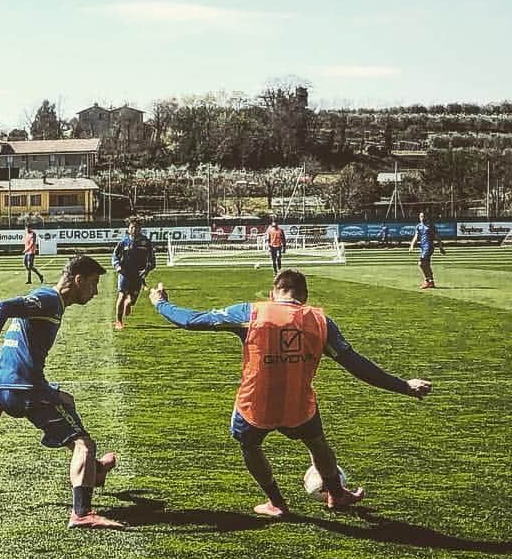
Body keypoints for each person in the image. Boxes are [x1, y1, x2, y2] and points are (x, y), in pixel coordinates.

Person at [149, 269, 432, 518]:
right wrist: (403, 386)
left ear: (274, 293)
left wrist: (161, 303)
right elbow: (356, 364)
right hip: (299, 406)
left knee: (251, 447)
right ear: (305, 296)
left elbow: (192, 320)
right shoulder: (321, 321)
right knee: (317, 444)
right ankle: (336, 493)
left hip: (254, 405)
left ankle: (277, 502)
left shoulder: (251, 313)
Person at [0, 254, 122, 530]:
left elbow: (18, 347)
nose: (95, 292)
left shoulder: (46, 302)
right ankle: (82, 513)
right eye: (93, 284)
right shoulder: (49, 300)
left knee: (66, 400)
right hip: (26, 389)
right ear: (78, 280)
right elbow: (0, 306)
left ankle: (94, 470)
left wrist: (0, 400)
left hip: (11, 388)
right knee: (83, 444)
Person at [111, 218, 154, 330]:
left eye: (136, 227)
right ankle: (118, 321)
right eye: (132, 227)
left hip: (138, 275)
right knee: (121, 295)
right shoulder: (123, 242)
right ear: (128, 229)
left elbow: (152, 260)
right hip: (125, 273)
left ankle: (128, 303)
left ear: (140, 229)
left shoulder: (146, 242)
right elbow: (114, 256)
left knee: (132, 300)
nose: (134, 229)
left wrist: (146, 270)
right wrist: (117, 266)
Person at [408, 212, 446, 289]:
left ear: (426, 217)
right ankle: (431, 282)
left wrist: (441, 247)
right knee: (426, 264)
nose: (422, 218)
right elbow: (416, 236)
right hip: (423, 247)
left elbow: (437, 237)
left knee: (421, 263)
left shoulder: (431, 226)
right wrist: (412, 245)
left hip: (429, 247)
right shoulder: (418, 226)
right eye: (420, 216)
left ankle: (427, 280)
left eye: (423, 216)